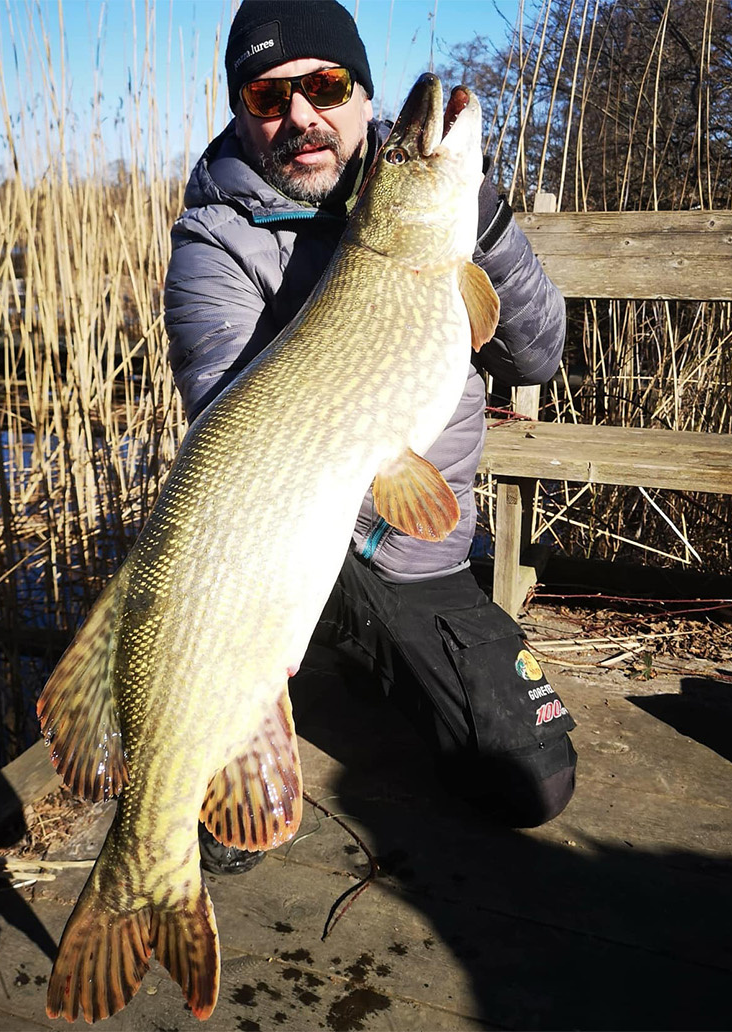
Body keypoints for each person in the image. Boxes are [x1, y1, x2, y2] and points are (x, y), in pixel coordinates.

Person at [164, 0, 576, 874]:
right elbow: (229, 427)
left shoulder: (428, 209)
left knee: (530, 781)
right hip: (290, 554)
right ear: (241, 111)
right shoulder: (212, 240)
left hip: (415, 559)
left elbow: (537, 353)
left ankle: (367, 670)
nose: (301, 117)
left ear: (359, 93)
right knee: (208, 825)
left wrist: (483, 227)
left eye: (325, 85)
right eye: (268, 98)